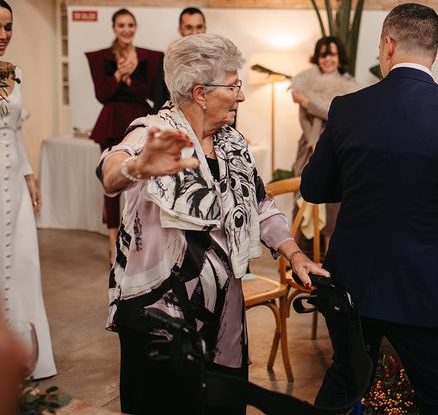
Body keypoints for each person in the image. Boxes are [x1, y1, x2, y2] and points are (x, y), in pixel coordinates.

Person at [301, 3, 438, 414]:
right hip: (427, 286)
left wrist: (361, 182)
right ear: (434, 52)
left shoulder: (347, 108)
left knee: (346, 381)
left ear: (388, 44)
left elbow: (313, 187)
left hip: (352, 283)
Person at [97, 33, 328, 415]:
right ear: (201, 92)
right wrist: (135, 168)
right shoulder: (152, 132)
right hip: (160, 318)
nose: (241, 95)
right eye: (234, 85)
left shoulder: (233, 142)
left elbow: (259, 204)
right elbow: (109, 171)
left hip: (225, 314)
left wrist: (294, 253)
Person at [0, 0, 56, 379]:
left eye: (8, 27)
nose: (4, 35)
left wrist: (30, 176)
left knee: (21, 263)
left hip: (14, 182)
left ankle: (25, 356)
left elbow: (15, 131)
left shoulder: (13, 72)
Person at [86, 8, 163, 264]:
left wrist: (130, 78)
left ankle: (136, 239)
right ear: (114, 28)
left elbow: (152, 92)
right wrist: (119, 73)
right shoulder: (103, 58)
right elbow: (101, 94)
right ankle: (112, 244)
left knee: (139, 180)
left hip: (137, 119)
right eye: (121, 25)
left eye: (130, 25)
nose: (126, 29)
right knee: (111, 181)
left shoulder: (147, 57)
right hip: (111, 119)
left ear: (135, 27)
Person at [291, 36, 358, 247]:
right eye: (323, 54)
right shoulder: (304, 82)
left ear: (339, 57)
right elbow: (305, 118)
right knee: (299, 193)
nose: (328, 59)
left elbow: (337, 115)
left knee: (334, 202)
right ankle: (298, 250)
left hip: (337, 145)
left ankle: (330, 252)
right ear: (317, 57)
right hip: (308, 144)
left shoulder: (348, 85)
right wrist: (314, 139)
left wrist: (310, 103)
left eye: (332, 54)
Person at [152, 7, 208, 114]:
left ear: (205, 28)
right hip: (176, 122)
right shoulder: (167, 60)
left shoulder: (216, 59)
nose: (194, 32)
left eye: (199, 27)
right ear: (180, 29)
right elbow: (159, 100)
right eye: (189, 27)